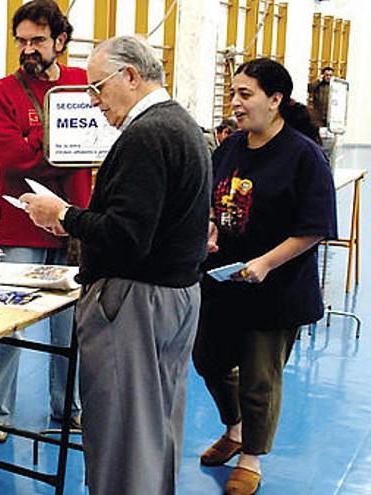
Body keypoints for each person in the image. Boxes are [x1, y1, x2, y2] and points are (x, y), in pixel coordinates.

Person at [21, 36, 210, 495]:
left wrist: (63, 214)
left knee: (123, 432)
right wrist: (78, 224)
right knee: (153, 427)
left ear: (130, 75)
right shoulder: (183, 126)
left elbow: (128, 236)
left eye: (98, 87)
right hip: (175, 295)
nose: (93, 99)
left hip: (136, 301)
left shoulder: (146, 135)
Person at [194, 58, 336, 495]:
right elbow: (215, 204)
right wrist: (211, 229)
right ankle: (234, 430)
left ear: (275, 100)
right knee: (209, 361)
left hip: (275, 289)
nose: (235, 103)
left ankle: (252, 455)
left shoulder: (302, 155)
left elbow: (314, 228)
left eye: (245, 94)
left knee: (259, 379)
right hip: (225, 281)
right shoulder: (231, 148)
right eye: (233, 93)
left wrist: (267, 263)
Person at [0, 0, 92, 443]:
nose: (28, 49)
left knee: (71, 326)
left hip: (76, 223)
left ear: (59, 40)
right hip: (18, 224)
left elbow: (94, 145)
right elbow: (10, 155)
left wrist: (37, 141)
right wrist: (59, 144)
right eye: (21, 41)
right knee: (9, 321)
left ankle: (68, 409)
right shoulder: (0, 92)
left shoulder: (83, 85)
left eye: (37, 41)